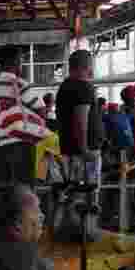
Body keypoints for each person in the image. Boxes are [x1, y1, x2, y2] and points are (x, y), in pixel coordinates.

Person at [0, 46, 49, 184]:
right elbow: (42, 112)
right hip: (23, 147)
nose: (23, 63)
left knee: (9, 195)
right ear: (14, 61)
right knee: (26, 193)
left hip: (2, 148)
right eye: (21, 59)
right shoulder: (19, 84)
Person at [55, 49, 105, 184]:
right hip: (84, 152)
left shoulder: (64, 87)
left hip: (70, 149)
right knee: (86, 193)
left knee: (73, 190)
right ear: (87, 66)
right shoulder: (83, 87)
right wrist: (85, 150)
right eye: (91, 66)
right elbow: (80, 120)